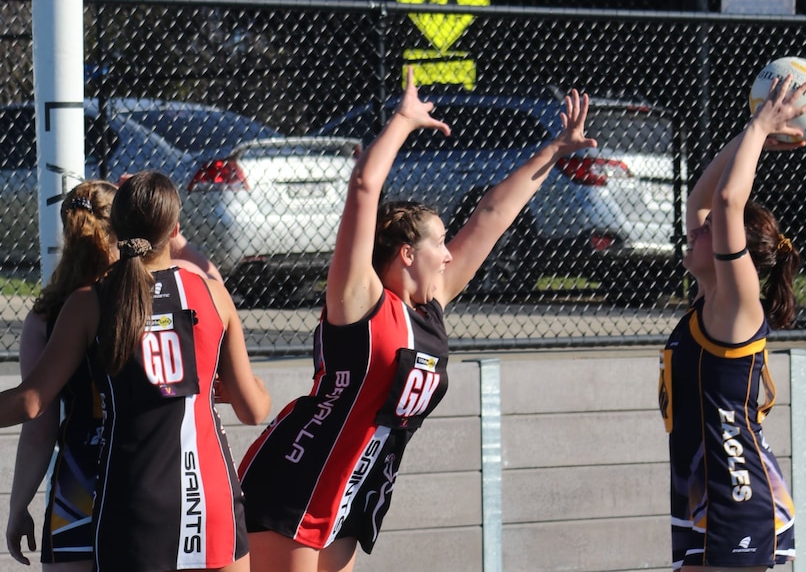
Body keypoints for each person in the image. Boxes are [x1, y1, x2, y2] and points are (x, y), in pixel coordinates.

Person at [237, 66, 597, 572]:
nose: (449, 255)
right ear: (406, 253)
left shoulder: (430, 307)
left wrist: (556, 149)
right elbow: (364, 186)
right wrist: (403, 122)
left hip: (356, 487)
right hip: (301, 475)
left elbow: (493, 214)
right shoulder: (358, 299)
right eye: (438, 243)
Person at [0, 171, 271, 572]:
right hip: (210, 497)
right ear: (175, 229)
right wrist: (248, 386)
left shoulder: (88, 303)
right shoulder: (212, 294)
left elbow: (31, 403)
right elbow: (253, 410)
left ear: (118, 229)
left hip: (132, 503)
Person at [658, 75, 806, 571]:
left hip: (739, 500)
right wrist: (751, 126)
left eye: (707, 233)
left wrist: (762, 130)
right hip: (706, 495)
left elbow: (725, 204)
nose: (695, 227)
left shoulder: (737, 307)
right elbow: (706, 197)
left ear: (731, 251)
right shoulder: (709, 300)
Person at [6, 181, 116, 571]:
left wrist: (18, 507)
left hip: (79, 481)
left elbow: (38, 423)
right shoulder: (155, 298)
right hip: (147, 470)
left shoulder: (48, 314)